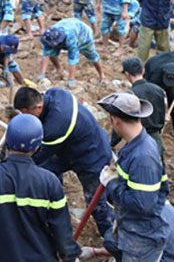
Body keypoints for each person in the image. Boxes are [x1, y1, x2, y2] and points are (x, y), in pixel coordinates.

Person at [0, 114, 84, 262]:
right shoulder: (50, 183)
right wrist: (70, 255)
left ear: (7, 141)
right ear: (38, 147)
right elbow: (61, 230)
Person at [14, 86, 114, 236]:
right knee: (47, 170)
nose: (27, 118)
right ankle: (53, 202)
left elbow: (38, 156)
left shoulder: (55, 126)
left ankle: (112, 243)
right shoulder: (56, 93)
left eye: (27, 114)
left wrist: (14, 167)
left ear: (38, 106)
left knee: (96, 203)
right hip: (71, 148)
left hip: (92, 156)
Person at [97, 92, 169, 262]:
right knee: (110, 241)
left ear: (115, 119)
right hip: (132, 229)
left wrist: (112, 184)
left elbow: (142, 204)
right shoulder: (134, 145)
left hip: (142, 240)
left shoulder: (143, 157)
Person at [100, 201, 174, 262]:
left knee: (110, 240)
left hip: (171, 258)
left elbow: (135, 248)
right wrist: (96, 252)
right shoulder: (155, 198)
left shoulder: (132, 218)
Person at [112, 58, 167, 161]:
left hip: (137, 138)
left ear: (127, 74)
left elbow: (120, 122)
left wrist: (113, 143)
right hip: (155, 137)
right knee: (158, 166)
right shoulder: (158, 90)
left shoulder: (129, 96)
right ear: (143, 71)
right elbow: (162, 114)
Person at [38, 18, 105, 88]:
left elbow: (73, 60)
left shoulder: (70, 39)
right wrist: (42, 73)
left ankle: (102, 76)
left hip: (83, 35)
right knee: (52, 52)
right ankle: (59, 70)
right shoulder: (48, 37)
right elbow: (46, 54)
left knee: (92, 55)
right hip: (68, 26)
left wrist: (71, 79)